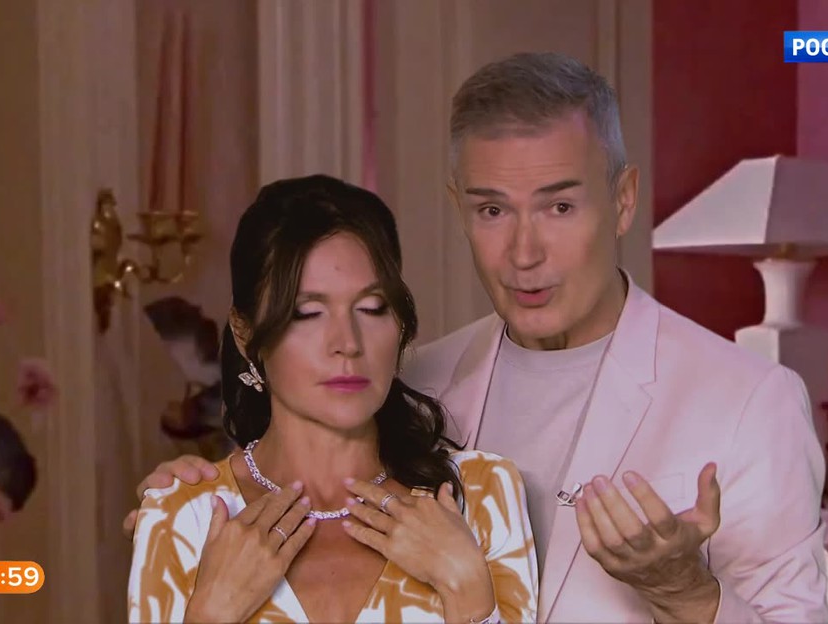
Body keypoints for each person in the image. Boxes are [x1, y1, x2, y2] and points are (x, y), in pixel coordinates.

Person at [127, 53, 828, 623]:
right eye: (493, 210)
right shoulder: (408, 383)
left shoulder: (750, 400)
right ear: (459, 207)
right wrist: (189, 499)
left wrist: (687, 594)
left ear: (622, 201)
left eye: (559, 206)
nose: (524, 252)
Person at [127, 175, 538, 623]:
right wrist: (211, 615)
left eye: (372, 308)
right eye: (308, 313)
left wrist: (467, 592)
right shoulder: (183, 517)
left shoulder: (479, 495)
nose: (347, 343)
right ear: (245, 334)